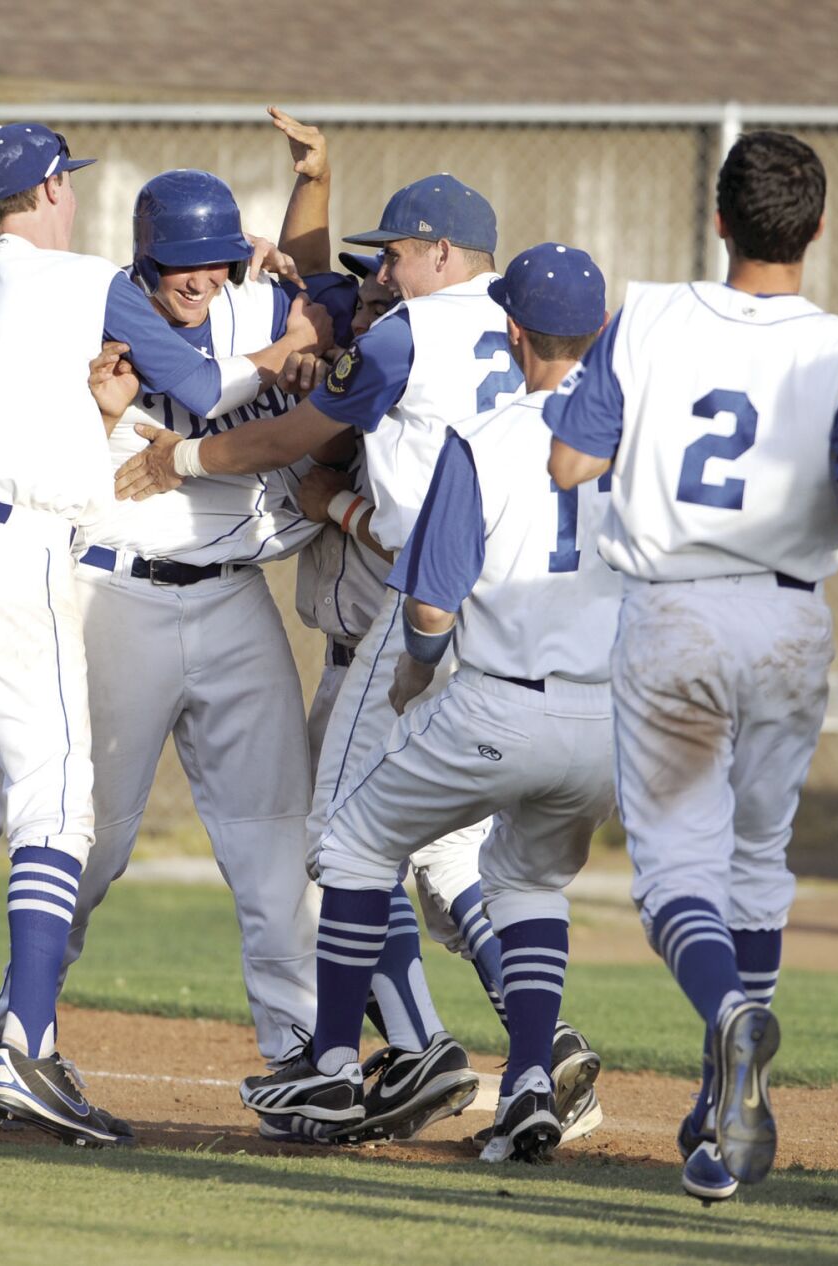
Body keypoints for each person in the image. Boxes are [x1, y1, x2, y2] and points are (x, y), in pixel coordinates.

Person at [0, 124, 309, 1149]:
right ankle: (23, 1051)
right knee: (58, 816)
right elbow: (196, 389)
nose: (75, 199)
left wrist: (99, 414)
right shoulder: (82, 278)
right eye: (67, 184)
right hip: (17, 556)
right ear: (48, 188)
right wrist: (280, 350)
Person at [117, 172, 532, 1140]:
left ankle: (357, 1061)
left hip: (413, 615)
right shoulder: (527, 338)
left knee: (346, 840)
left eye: (394, 253)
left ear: (442, 254)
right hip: (516, 623)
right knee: (482, 861)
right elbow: (326, 303)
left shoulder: (407, 334)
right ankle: (533, 1057)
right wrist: (314, 184)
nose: (379, 272)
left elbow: (296, 435)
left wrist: (177, 459)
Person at [546, 131, 838, 1200]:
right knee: (758, 859)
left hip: (673, 617)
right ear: (817, 226)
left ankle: (728, 1020)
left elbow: (571, 458)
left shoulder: (651, 314)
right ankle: (722, 1114)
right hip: (789, 626)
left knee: (673, 873)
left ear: (720, 220)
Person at [242, 245, 620, 1160]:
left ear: (513, 331)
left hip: (498, 702)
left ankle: (334, 1063)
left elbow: (431, 605)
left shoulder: (487, 440)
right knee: (524, 881)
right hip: (607, 722)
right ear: (601, 334)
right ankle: (531, 1078)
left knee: (354, 844)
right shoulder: (637, 443)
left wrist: (413, 675)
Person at [0, 169, 332, 1118]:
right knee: (92, 842)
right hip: (118, 595)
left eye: (213, 260)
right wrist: (285, 342)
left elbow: (326, 295)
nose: (200, 278)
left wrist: (301, 294)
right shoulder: (98, 325)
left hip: (234, 597)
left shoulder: (255, 299)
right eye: (181, 262)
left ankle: (300, 1058)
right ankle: (22, 1034)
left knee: (274, 841)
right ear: (147, 259)